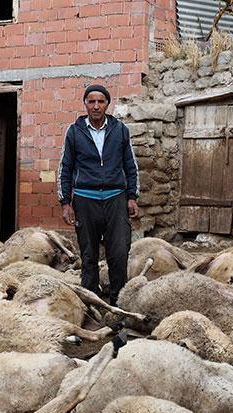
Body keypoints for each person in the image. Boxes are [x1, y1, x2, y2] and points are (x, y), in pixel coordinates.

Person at [56, 84, 140, 306]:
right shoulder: (74, 131)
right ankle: (91, 304)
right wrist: (65, 202)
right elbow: (65, 168)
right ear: (85, 104)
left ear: (107, 104)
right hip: (85, 200)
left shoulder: (120, 130)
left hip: (115, 199)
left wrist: (132, 196)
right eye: (91, 101)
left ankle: (118, 304)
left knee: (119, 253)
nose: (95, 106)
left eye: (100, 101)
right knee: (89, 256)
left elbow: (130, 165)